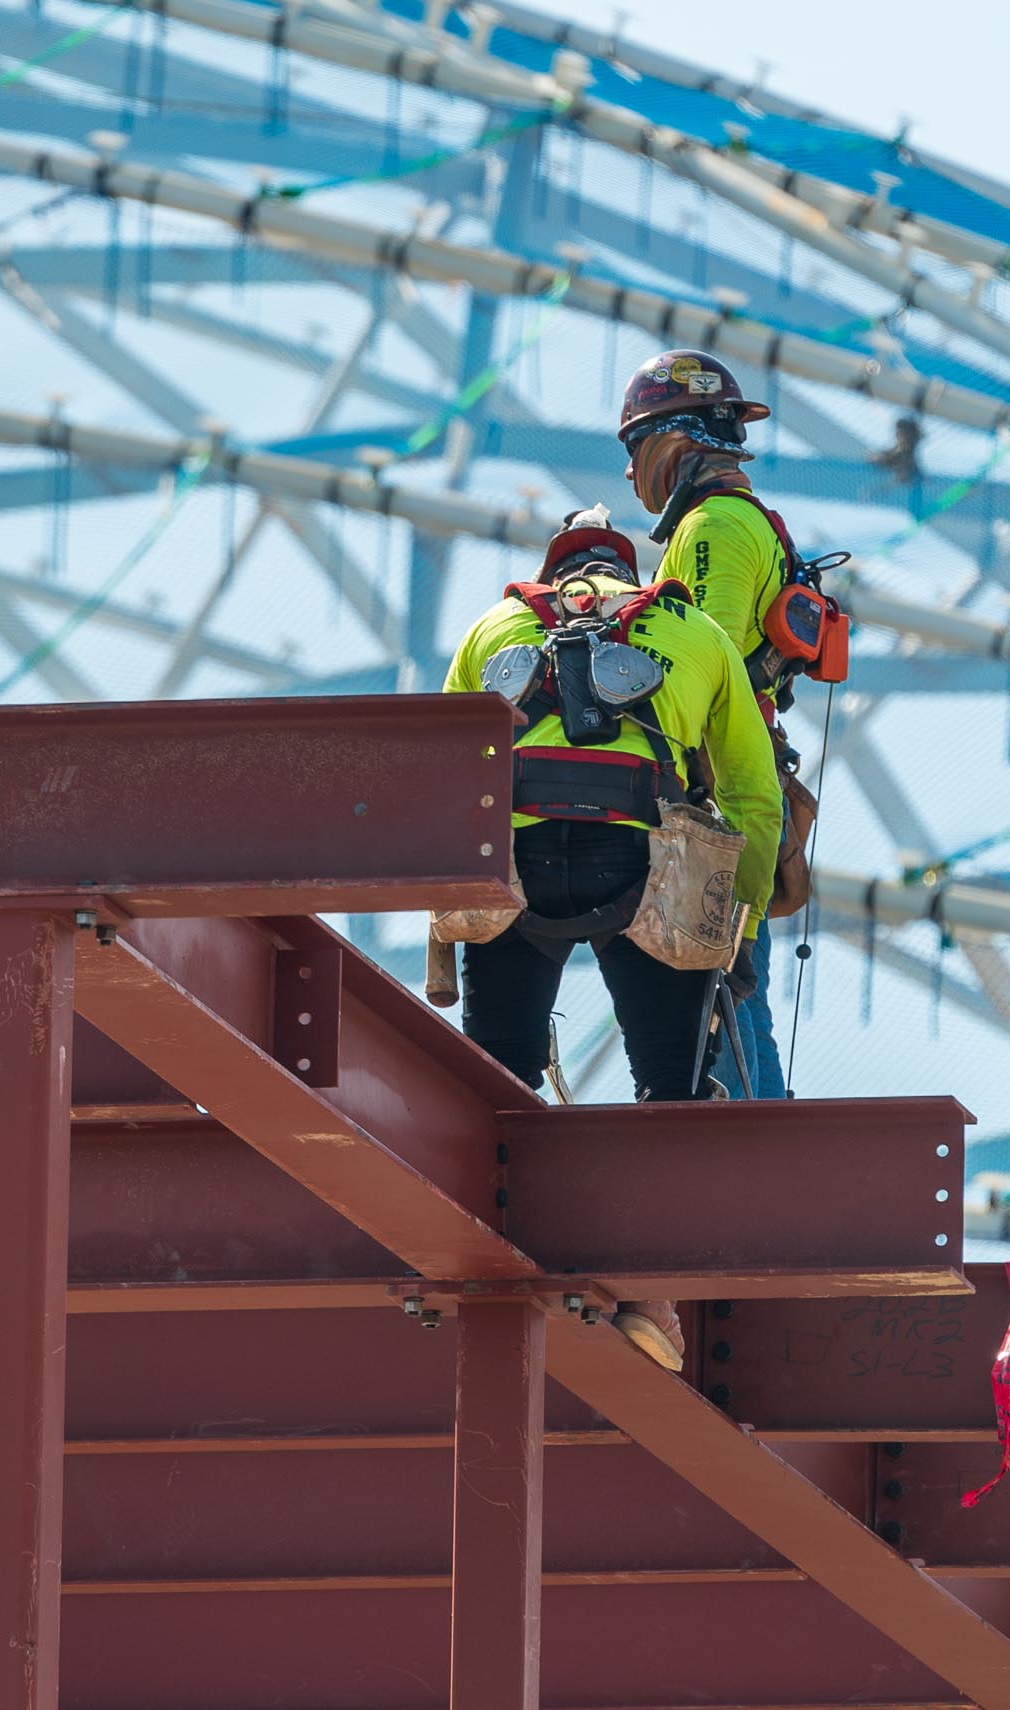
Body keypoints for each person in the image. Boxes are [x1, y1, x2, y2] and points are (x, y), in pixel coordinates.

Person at [445, 512, 783, 1367]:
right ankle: (647, 1295)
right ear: (629, 574)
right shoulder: (691, 626)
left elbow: (439, 768)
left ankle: (489, 1255)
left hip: (514, 855)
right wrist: (734, 925)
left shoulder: (494, 625)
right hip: (639, 854)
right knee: (669, 1086)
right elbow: (751, 792)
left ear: (554, 572)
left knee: (499, 1075)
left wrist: (451, 898)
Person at [617, 348, 831, 1098]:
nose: (629, 471)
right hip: (734, 784)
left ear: (673, 439)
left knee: (718, 995)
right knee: (729, 997)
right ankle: (757, 1140)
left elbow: (697, 665)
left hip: (718, 793)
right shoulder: (734, 523)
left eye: (633, 445)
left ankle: (750, 1152)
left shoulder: (713, 527)